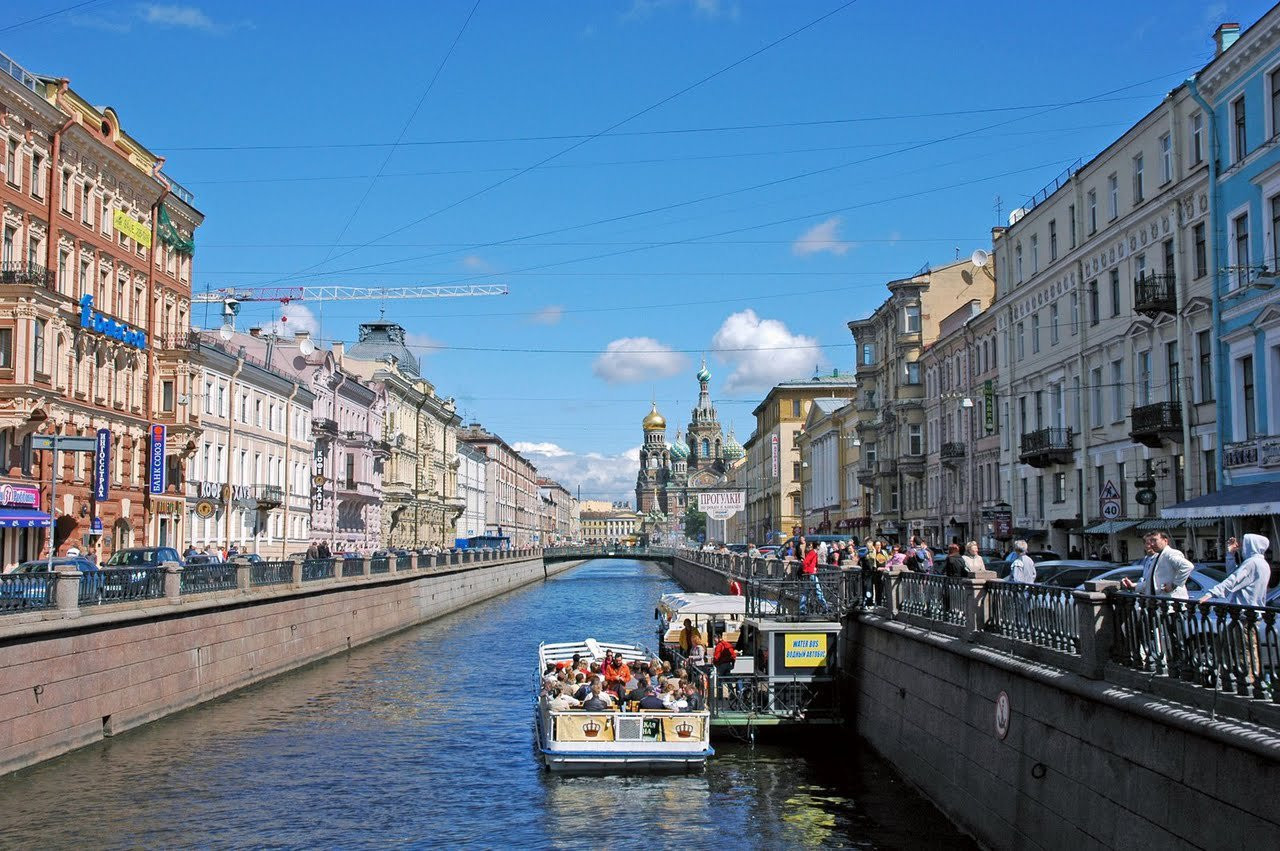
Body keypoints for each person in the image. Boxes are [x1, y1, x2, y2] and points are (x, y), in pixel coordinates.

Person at [1200, 534, 1270, 607]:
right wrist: (1230, 554)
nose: (1242, 547)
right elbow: (1234, 575)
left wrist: (1210, 594)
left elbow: (1232, 579)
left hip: (1244, 609)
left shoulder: (1252, 562)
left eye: (1245, 545)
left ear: (1252, 546)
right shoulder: (1263, 563)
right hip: (1255, 609)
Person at [1122, 531, 1193, 599]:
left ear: (1165, 541)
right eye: (1151, 541)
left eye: (1155, 540)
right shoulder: (1157, 557)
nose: (1152, 544)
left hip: (1172, 604)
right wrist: (1134, 586)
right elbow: (1153, 582)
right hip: (1159, 603)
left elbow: (1187, 566)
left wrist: (1173, 585)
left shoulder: (1170, 553)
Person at [799, 542, 827, 614]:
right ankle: (825, 607)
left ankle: (802, 609)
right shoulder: (813, 553)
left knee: (806, 591)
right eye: (819, 546)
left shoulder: (813, 553)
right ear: (817, 546)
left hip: (810, 574)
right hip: (811, 574)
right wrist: (809, 570)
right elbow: (805, 562)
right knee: (818, 590)